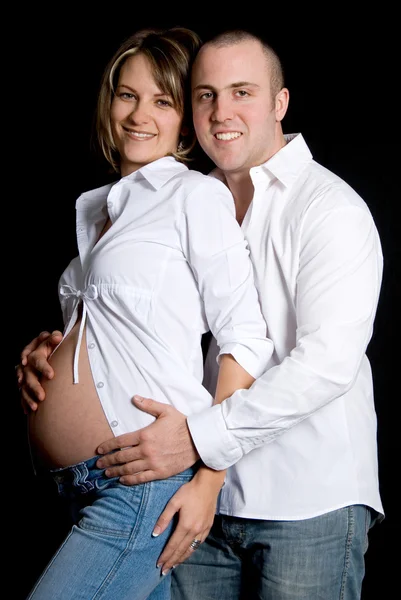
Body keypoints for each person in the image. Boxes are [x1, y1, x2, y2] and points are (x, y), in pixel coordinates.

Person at [18, 28, 384, 600]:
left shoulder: (327, 208)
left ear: (280, 103)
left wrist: (203, 452)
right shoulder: (176, 197)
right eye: (206, 94)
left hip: (304, 498)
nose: (221, 111)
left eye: (242, 91)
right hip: (202, 502)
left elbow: (324, 364)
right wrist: (59, 352)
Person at [18, 26, 274, 600]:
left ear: (184, 120)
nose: (139, 114)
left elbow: (245, 338)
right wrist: (46, 353)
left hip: (141, 486)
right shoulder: (96, 211)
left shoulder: (193, 197)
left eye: (162, 101)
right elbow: (108, 336)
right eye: (127, 95)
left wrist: (210, 478)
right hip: (81, 486)